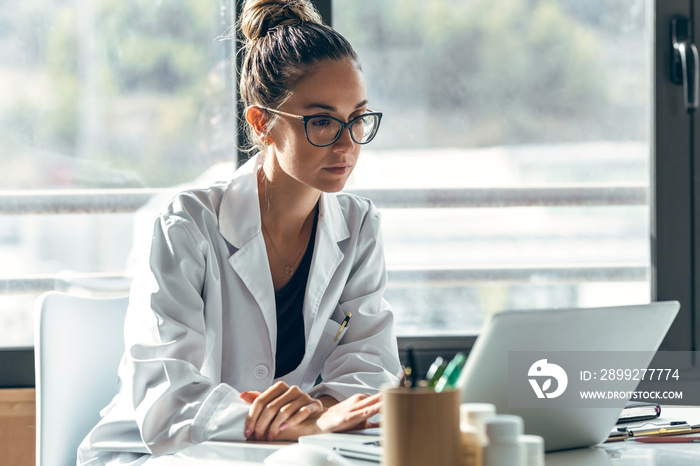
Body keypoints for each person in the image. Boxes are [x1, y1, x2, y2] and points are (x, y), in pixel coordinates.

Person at [77, 0, 401, 463]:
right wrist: (300, 424)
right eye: (323, 121)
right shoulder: (186, 224)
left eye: (357, 118)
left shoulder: (359, 226)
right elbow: (166, 402)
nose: (348, 144)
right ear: (262, 123)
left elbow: (371, 365)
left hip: (284, 449)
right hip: (159, 453)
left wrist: (322, 414)